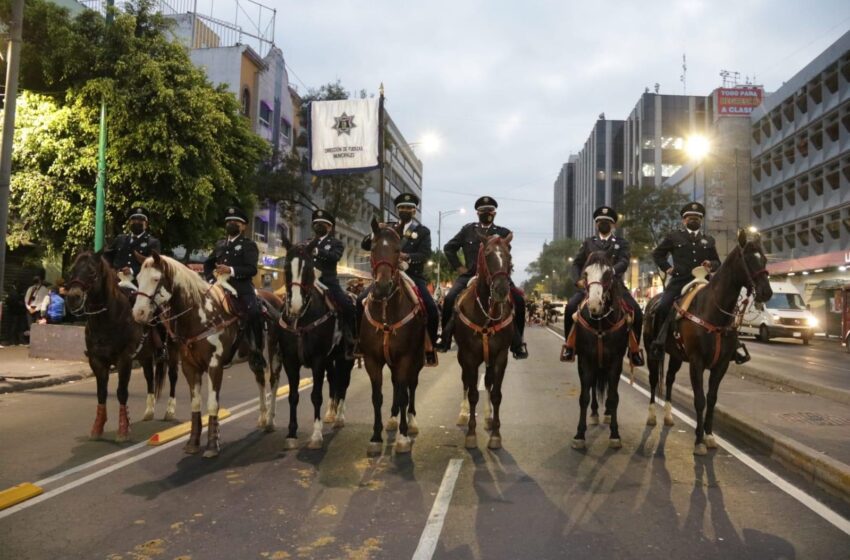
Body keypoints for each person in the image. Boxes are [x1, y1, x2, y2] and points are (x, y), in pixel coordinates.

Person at [436, 196, 528, 359]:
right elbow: (449, 248)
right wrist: (459, 267)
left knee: (519, 301)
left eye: (490, 211)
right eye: (483, 211)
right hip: (470, 275)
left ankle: (518, 342)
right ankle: (445, 338)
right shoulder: (467, 230)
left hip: (496, 276)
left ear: (495, 213)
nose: (487, 214)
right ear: (477, 213)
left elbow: (505, 257)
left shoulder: (503, 233)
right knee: (450, 298)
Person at [650, 202, 739, 360]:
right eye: (690, 218)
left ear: (701, 220)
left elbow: (717, 262)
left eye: (697, 218)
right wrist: (668, 269)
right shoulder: (674, 237)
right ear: (684, 220)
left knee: (729, 307)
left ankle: (733, 345)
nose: (694, 220)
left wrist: (711, 264)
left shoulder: (709, 240)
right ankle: (659, 341)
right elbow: (658, 254)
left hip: (703, 281)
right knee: (663, 306)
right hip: (680, 281)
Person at [357, 193, 438, 366]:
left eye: (409, 208)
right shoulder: (388, 227)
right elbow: (365, 245)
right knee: (359, 301)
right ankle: (359, 341)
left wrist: (406, 256)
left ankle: (430, 346)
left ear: (414, 211)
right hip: (387, 274)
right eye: (402, 208)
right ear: (397, 210)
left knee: (431, 307)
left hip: (412, 276)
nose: (405, 211)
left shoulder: (422, 231)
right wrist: (374, 232)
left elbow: (425, 254)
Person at [561, 206, 644, 366]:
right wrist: (578, 279)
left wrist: (611, 271)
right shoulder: (588, 243)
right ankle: (570, 346)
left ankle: (634, 350)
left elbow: (624, 261)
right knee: (570, 307)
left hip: (615, 286)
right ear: (596, 224)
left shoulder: (621, 243)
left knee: (636, 311)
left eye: (607, 222)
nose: (603, 224)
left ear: (613, 225)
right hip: (590, 287)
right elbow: (577, 263)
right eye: (600, 222)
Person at [203, 205, 265, 370]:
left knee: (254, 313)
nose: (232, 224)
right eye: (229, 221)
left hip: (241, 288)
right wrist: (210, 280)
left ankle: (256, 350)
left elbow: (252, 269)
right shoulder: (220, 244)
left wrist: (230, 270)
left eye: (236, 222)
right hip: (217, 286)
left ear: (243, 226)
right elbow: (208, 264)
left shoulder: (248, 245)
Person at [304, 209, 356, 360]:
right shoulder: (306, 242)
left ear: (330, 227)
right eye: (316, 224)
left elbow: (335, 257)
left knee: (346, 306)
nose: (319, 226)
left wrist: (316, 251)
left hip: (328, 282)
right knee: (288, 304)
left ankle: (348, 336)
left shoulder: (336, 243)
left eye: (323, 224)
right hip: (307, 283)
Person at [104, 206, 162, 290]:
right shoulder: (120, 239)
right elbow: (107, 257)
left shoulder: (152, 242)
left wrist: (132, 271)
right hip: (115, 284)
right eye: (134, 220)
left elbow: (155, 265)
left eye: (140, 220)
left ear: (146, 223)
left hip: (138, 287)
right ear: (129, 222)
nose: (137, 222)